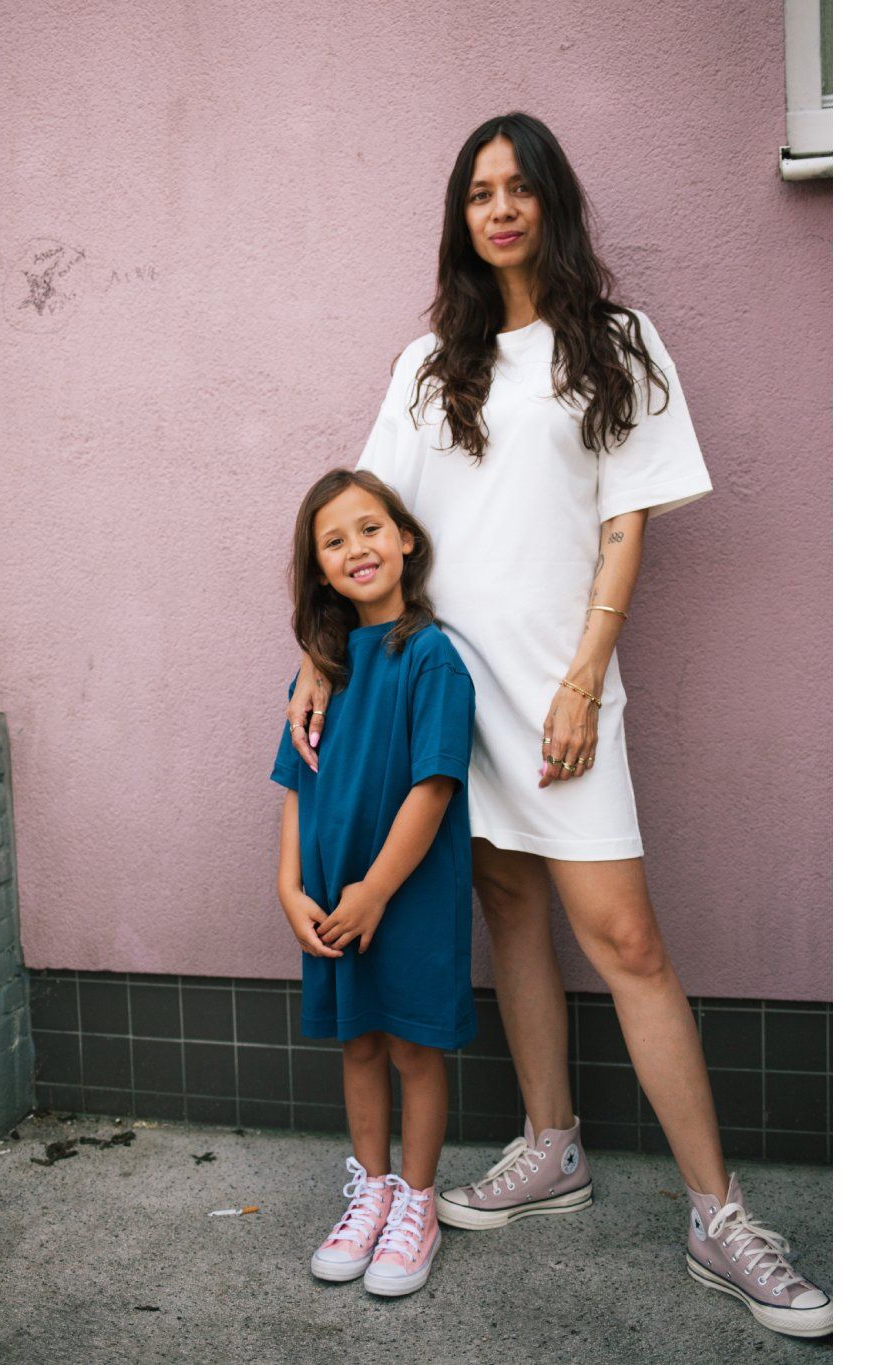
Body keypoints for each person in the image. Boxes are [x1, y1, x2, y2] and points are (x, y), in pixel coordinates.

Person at [282, 113, 831, 1337]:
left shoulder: (615, 344)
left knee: (624, 938)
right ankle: (551, 1145)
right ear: (460, 217)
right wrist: (318, 659)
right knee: (509, 906)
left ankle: (720, 1215)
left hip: (555, 694)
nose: (500, 208)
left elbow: (626, 523)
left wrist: (585, 677)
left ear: (551, 204)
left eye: (519, 187)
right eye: (479, 191)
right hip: (439, 698)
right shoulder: (427, 364)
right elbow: (363, 519)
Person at [270, 467, 476, 1297]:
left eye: (369, 528)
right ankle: (373, 1192)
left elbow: (434, 788)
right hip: (332, 893)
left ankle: (417, 1203)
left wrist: (378, 890)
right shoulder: (318, 672)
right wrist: (289, 885)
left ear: (405, 539)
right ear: (320, 570)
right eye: (333, 540)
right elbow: (298, 782)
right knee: (358, 1041)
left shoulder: (431, 657)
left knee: (412, 1046)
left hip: (406, 891)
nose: (356, 547)